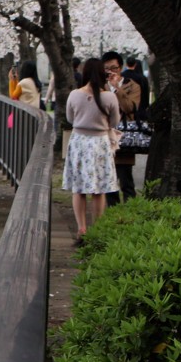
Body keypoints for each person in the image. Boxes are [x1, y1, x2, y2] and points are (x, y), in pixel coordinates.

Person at [63, 58, 121, 237]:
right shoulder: (109, 96)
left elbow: (70, 118)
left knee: (78, 189)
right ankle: (97, 226)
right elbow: (115, 121)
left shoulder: (74, 94)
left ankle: (81, 227)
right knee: (99, 188)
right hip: (100, 143)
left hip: (79, 141)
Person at [101, 51, 142, 204]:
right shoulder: (100, 86)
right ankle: (112, 213)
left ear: (121, 67)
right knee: (108, 181)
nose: (111, 72)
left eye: (114, 68)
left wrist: (117, 89)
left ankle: (129, 213)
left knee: (126, 180)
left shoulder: (132, 86)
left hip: (124, 136)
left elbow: (130, 108)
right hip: (105, 135)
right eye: (107, 69)